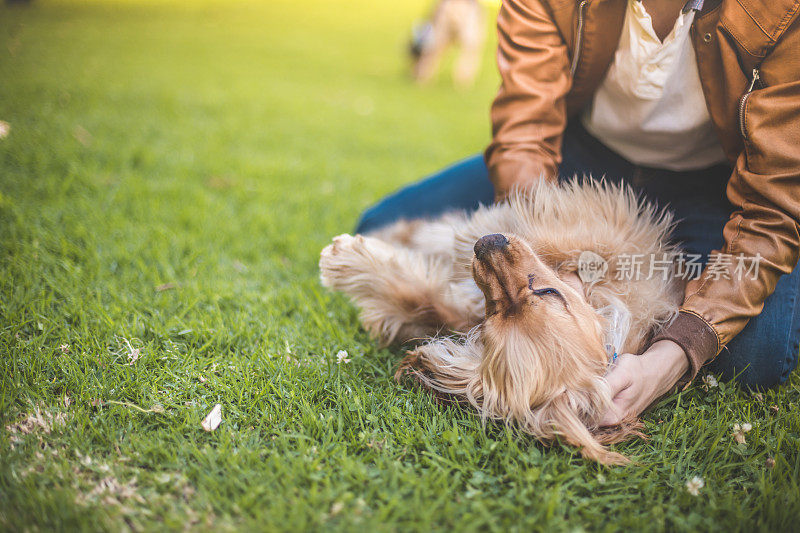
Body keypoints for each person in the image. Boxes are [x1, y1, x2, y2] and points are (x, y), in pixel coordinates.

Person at [357, 0, 800, 424]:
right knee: (377, 229)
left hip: (718, 184)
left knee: (752, 356)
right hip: (579, 160)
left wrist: (670, 357)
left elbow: (771, 207)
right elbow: (524, 131)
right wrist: (549, 266)